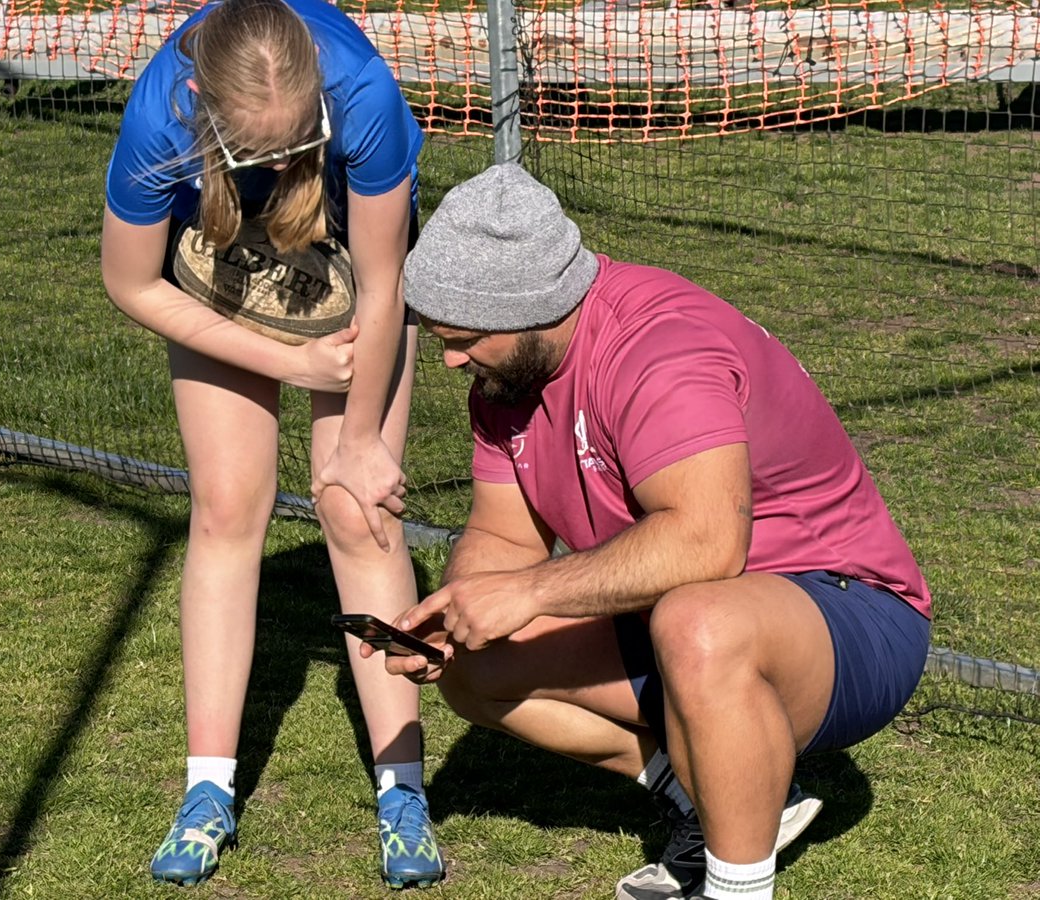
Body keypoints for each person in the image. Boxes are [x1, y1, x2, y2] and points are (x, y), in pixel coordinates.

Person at [379, 163, 932, 900]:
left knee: (697, 619)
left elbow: (707, 543)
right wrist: (459, 612)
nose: (451, 360)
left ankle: (736, 890)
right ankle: (714, 799)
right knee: (479, 665)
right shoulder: (506, 376)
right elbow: (504, 538)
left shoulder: (658, 348)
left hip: (850, 613)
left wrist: (529, 593)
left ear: (534, 308)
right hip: (685, 615)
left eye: (465, 337)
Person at [101, 0, 443, 888]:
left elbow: (383, 283)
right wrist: (287, 362)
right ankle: (207, 789)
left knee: (357, 511)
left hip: (348, 274)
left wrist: (361, 438)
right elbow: (130, 280)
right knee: (224, 508)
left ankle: (403, 791)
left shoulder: (363, 95)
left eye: (300, 144)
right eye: (263, 154)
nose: (286, 164)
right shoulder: (158, 115)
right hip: (219, 274)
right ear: (202, 108)